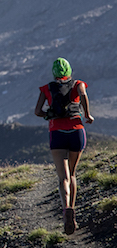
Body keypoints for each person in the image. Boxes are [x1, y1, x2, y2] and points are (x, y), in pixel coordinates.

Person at [34, 57, 95, 235]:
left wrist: (48, 115)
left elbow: (37, 111)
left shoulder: (46, 89)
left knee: (63, 178)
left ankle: (65, 207)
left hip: (57, 133)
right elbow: (83, 96)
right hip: (76, 131)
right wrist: (88, 115)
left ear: (54, 73)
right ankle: (73, 210)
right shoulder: (78, 84)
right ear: (69, 71)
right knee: (73, 173)